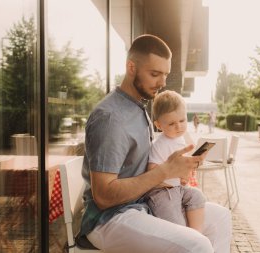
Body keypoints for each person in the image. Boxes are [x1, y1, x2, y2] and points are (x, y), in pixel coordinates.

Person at [80, 34, 231, 253]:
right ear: (131, 67)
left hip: (144, 204)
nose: (162, 83)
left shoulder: (138, 107)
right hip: (109, 218)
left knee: (221, 218)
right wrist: (165, 171)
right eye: (154, 74)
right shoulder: (110, 117)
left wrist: (180, 167)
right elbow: (103, 197)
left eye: (165, 74)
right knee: (197, 245)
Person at [146, 90, 205, 232]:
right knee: (175, 220)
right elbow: (151, 171)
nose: (179, 127)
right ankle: (184, 237)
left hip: (178, 188)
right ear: (159, 125)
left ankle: (197, 235)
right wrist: (174, 176)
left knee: (197, 196)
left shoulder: (180, 139)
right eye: (172, 123)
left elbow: (181, 166)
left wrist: (185, 176)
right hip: (162, 192)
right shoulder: (159, 144)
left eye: (182, 120)